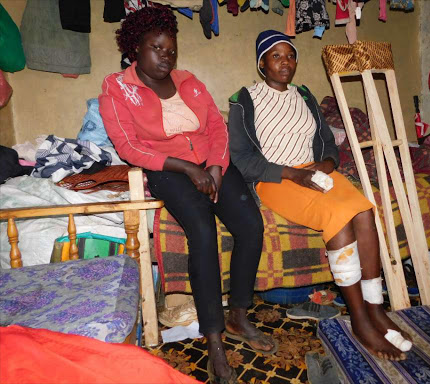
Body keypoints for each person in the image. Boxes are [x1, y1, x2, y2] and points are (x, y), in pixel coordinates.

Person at [98, 8, 277, 383]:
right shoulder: (117, 88)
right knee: (202, 230)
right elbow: (129, 147)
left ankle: (238, 316)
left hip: (211, 165)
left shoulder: (189, 81)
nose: (166, 56)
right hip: (170, 171)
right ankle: (213, 339)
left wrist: (215, 165)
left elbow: (216, 125)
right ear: (135, 48)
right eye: (156, 48)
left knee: (251, 226)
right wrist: (188, 168)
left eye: (171, 50)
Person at [228, 30, 412, 361]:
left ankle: (375, 308)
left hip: (315, 171)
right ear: (261, 63)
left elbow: (328, 142)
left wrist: (325, 164)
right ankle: (359, 319)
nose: (285, 62)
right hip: (276, 178)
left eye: (290, 55)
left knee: (365, 211)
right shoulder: (245, 100)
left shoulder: (305, 96)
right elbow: (242, 159)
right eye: (276, 56)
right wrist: (293, 173)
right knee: (337, 217)